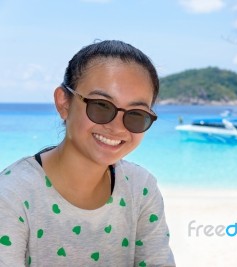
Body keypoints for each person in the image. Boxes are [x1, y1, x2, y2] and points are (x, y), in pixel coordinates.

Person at [0, 40, 175, 266]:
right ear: (64, 103)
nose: (118, 127)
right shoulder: (11, 195)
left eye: (136, 114)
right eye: (101, 105)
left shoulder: (141, 189)